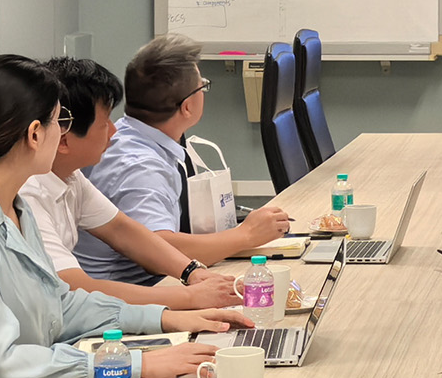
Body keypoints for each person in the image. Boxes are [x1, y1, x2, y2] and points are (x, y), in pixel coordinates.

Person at [0, 54, 249, 378]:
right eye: (59, 121)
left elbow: (61, 307)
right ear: (35, 134)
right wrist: (137, 364)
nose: (62, 132)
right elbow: (1, 362)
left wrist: (166, 319)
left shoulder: (15, 207)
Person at [20, 56, 246, 309]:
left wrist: (192, 272)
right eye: (104, 124)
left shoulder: (70, 177)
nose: (113, 131)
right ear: (63, 139)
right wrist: (191, 297)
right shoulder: (27, 195)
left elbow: (121, 229)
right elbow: (75, 287)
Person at [77, 33, 290, 287]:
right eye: (202, 86)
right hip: (132, 292)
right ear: (187, 106)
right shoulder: (141, 167)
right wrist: (246, 235)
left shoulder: (131, 135)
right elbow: (159, 249)